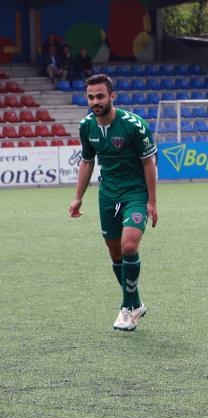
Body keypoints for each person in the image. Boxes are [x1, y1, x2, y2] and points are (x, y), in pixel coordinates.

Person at [69, 74, 157, 331]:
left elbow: (148, 164)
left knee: (128, 246)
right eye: (91, 97)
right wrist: (77, 198)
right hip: (107, 195)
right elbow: (87, 162)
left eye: (100, 96)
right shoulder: (87, 126)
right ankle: (136, 302)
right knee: (115, 252)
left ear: (112, 97)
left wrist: (152, 201)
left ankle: (127, 308)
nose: (95, 101)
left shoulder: (134, 125)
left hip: (134, 194)